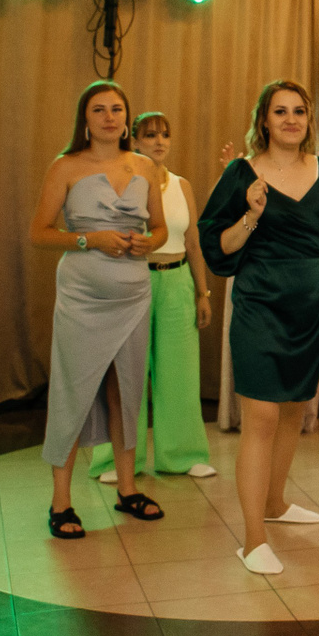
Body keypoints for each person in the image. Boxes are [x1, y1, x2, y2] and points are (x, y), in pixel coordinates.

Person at [200, 79, 319, 575]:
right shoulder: (241, 172)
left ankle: (275, 502)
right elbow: (219, 246)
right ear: (264, 121)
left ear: (309, 120)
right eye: (281, 111)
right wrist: (251, 215)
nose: (291, 120)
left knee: (293, 411)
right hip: (259, 302)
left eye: (299, 111)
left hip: (310, 305)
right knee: (262, 417)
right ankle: (252, 540)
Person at [27, 81, 168, 539]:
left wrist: (150, 242)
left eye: (117, 109)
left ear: (126, 118)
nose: (109, 117)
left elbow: (161, 228)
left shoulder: (145, 166)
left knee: (128, 389)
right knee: (73, 390)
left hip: (133, 295)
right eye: (99, 110)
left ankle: (127, 489)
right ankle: (60, 501)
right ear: (84, 120)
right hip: (83, 297)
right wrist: (91, 239)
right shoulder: (65, 166)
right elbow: (39, 233)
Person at [92, 112, 216, 485]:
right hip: (133, 281)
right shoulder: (121, 183)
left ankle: (183, 455)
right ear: (135, 140)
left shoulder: (182, 185)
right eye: (150, 135)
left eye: (165, 134)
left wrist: (202, 292)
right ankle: (115, 460)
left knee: (180, 372)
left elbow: (193, 242)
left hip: (178, 282)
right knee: (126, 374)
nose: (159, 141)